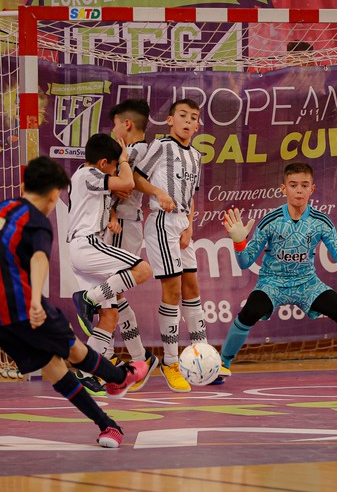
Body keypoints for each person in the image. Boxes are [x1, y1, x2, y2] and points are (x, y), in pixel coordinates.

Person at [0, 156, 148, 449]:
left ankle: (107, 425)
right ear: (53, 195)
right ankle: (120, 376)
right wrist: (35, 301)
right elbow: (39, 259)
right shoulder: (37, 219)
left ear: (25, 185)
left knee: (53, 368)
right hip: (18, 305)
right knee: (74, 349)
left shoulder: (0, 210)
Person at [219, 162, 337, 383]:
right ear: (283, 189)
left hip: (307, 284)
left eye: (304, 185)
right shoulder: (270, 221)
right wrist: (239, 242)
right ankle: (222, 365)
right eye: (293, 185)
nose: (298, 190)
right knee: (249, 313)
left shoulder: (321, 222)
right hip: (272, 284)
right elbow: (245, 262)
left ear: (312, 189)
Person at [130, 99, 229, 393]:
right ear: (170, 120)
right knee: (172, 291)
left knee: (192, 288)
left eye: (193, 117)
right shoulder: (160, 147)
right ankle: (171, 362)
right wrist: (158, 193)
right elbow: (136, 178)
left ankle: (202, 359)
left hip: (182, 225)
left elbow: (192, 196)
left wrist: (190, 226)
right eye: (182, 115)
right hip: (161, 223)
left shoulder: (196, 156)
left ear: (197, 126)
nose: (188, 121)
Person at [67, 133, 154, 396]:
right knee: (142, 269)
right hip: (88, 245)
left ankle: (84, 372)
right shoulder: (89, 174)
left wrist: (112, 213)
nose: (117, 169)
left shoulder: (89, 177)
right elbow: (127, 181)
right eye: (114, 165)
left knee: (110, 316)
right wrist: (125, 159)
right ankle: (88, 298)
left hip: (84, 249)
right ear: (104, 163)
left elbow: (117, 190)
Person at [99, 99, 160, 389]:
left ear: (127, 124)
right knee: (111, 291)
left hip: (123, 224)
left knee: (111, 291)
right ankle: (134, 357)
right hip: (120, 221)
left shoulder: (136, 151)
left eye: (114, 125)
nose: (112, 131)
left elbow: (122, 183)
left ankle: (135, 357)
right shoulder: (136, 151)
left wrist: (119, 185)